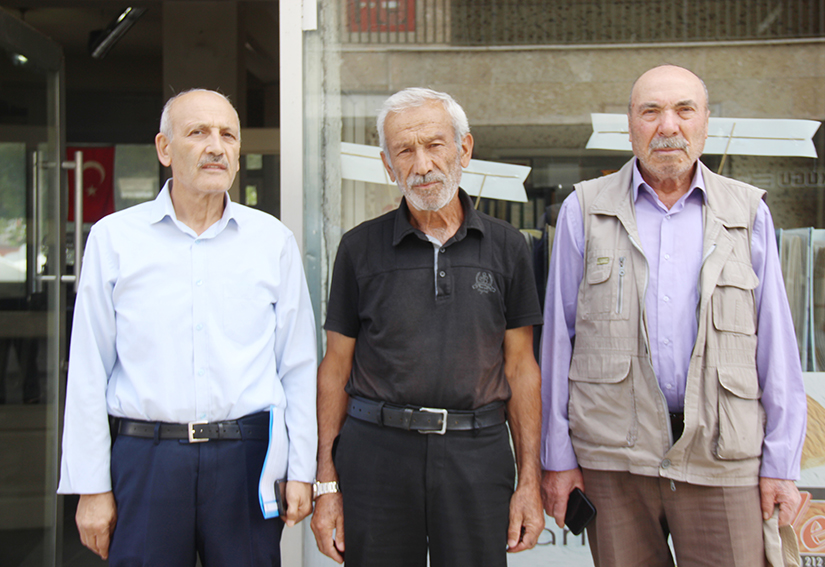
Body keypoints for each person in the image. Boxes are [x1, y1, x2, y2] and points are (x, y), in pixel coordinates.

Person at [541, 64, 808, 567]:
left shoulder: (748, 212)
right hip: (614, 459)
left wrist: (781, 462)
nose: (668, 126)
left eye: (684, 110)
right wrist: (557, 459)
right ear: (630, 125)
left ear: (705, 123)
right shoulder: (585, 209)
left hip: (722, 456)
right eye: (651, 111)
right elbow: (558, 340)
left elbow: (776, 345)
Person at [57, 89, 318, 566]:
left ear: (239, 153)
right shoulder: (114, 239)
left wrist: (302, 469)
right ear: (164, 148)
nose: (215, 146)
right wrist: (91, 486)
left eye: (227, 135)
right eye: (197, 132)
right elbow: (89, 369)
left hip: (246, 459)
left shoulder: (272, 242)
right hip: (146, 457)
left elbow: (298, 366)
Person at [310, 87, 545, 567]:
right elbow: (336, 368)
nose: (421, 165)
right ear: (386, 164)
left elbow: (522, 368)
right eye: (404, 150)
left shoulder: (508, 248)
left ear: (464, 148)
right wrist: (327, 484)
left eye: (434, 145)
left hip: (477, 455)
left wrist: (529, 482)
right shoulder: (359, 248)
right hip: (376, 455)